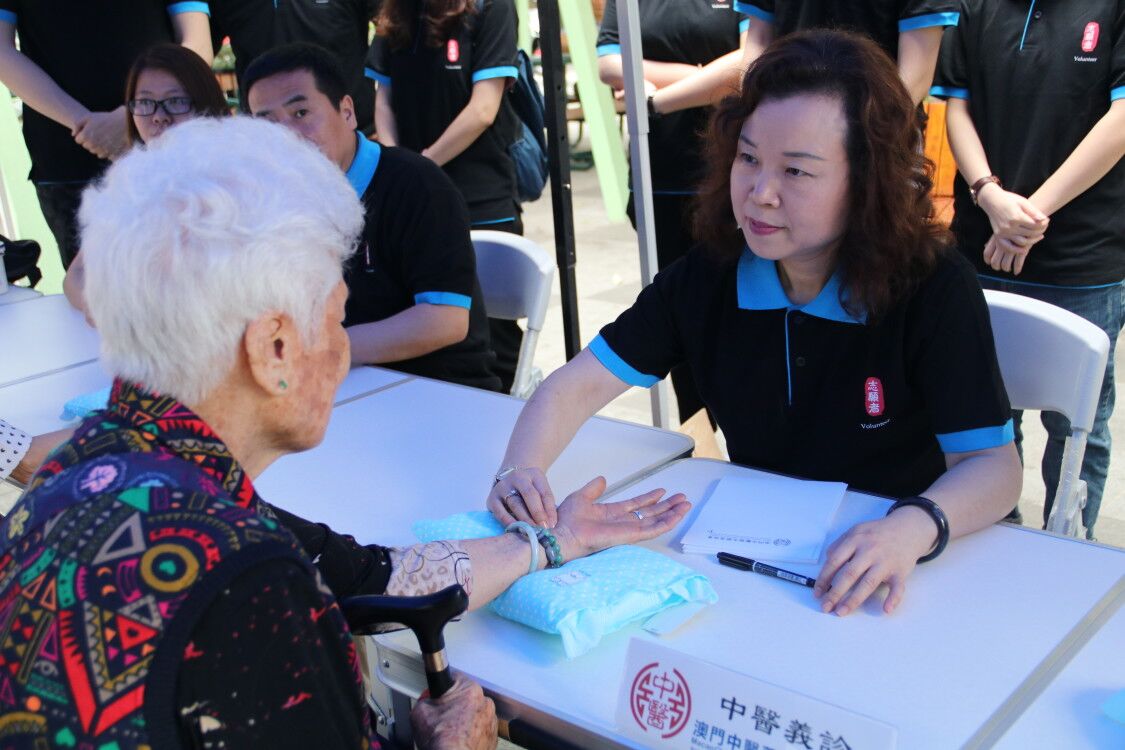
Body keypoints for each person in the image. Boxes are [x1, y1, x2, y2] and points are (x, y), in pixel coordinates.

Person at [0, 115, 690, 747]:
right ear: (273, 348)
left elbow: (377, 575)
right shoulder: (250, 584)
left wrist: (552, 541)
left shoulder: (91, 465)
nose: (343, 348)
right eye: (333, 320)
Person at [487, 30, 1022, 618]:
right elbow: (574, 386)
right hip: (765, 571)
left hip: (904, 575)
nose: (760, 194)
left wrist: (912, 528)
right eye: (748, 158)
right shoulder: (712, 273)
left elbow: (994, 470)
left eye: (796, 171)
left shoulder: (931, 286)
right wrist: (520, 471)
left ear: (867, 181)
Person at [931, 1, 1125, 539]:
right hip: (980, 245)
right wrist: (989, 196)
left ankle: (1070, 545)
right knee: (986, 413)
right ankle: (999, 532)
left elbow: (1121, 120)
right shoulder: (976, 7)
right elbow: (957, 108)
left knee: (1078, 421)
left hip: (1083, 256)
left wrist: (1028, 215)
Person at [245, 43, 502, 391]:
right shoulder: (274, 199)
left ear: (347, 111)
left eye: (301, 113)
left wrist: (323, 350)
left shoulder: (417, 185)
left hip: (440, 388)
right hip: (335, 383)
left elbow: (445, 320)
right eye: (268, 124)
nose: (287, 135)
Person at [596, 0, 750, 426]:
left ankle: (751, 444)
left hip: (731, 174)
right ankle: (700, 444)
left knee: (740, 319)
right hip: (658, 177)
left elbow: (748, 63)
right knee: (682, 323)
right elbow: (609, 62)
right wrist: (705, 79)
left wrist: (654, 90)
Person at [365, 0, 525, 392]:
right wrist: (396, 164)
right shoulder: (395, 14)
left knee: (494, 336)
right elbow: (382, 100)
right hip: (411, 198)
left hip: (481, 196)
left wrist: (416, 169)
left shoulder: (492, 9)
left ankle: (510, 432)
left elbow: (484, 109)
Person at [0, 1, 211, 268]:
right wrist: (83, 123)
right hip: (67, 160)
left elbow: (197, 43)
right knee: (92, 291)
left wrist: (132, 117)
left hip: (164, 152)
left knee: (191, 279)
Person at [62, 43, 230, 316]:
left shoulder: (236, 175)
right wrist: (104, 311)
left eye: (176, 101)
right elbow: (77, 275)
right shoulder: (129, 179)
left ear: (205, 103)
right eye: (145, 103)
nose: (159, 116)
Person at [733, 0, 958, 106]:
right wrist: (753, 110)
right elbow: (759, 41)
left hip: (878, 134)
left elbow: (914, 78)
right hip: (784, 117)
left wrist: (864, 134)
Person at [208, 0, 381, 131]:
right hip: (267, 141)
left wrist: (387, 122)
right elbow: (195, 57)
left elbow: (395, 30)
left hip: (352, 131)